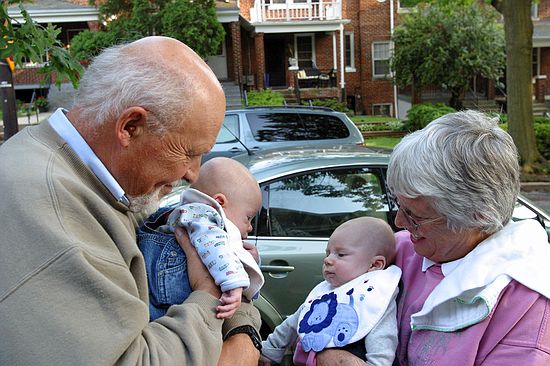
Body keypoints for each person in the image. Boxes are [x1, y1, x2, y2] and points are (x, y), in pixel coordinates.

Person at [0, 36, 262, 365]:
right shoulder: (53, 213)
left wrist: (238, 312)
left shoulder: (83, 178)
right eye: (188, 152)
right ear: (130, 126)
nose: (193, 174)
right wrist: (211, 293)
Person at [316, 110, 550, 366]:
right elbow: (318, 318)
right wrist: (325, 355)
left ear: (477, 217)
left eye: (414, 215)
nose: (399, 223)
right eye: (399, 205)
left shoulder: (526, 308)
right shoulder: (403, 250)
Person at [260, 217, 401, 366]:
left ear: (375, 264)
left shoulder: (375, 296)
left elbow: (384, 338)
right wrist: (270, 349)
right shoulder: (327, 291)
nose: (327, 260)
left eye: (340, 254)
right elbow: (294, 322)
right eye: (328, 253)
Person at [138, 157, 264, 320]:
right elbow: (215, 247)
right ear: (219, 202)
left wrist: (250, 259)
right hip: (173, 311)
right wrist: (234, 283)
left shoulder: (191, 218)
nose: (250, 227)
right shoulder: (204, 216)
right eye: (248, 218)